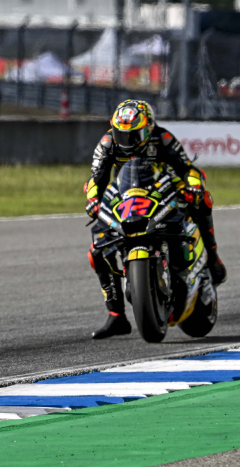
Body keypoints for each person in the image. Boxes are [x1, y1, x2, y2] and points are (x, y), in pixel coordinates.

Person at [85, 99, 227, 339]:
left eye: (133, 134)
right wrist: (92, 200)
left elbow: (187, 169)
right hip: (125, 200)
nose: (126, 141)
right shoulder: (107, 143)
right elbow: (96, 180)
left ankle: (213, 259)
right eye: (121, 134)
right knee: (97, 250)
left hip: (164, 191)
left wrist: (193, 185)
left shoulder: (162, 138)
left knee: (203, 200)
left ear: (148, 127)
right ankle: (117, 316)